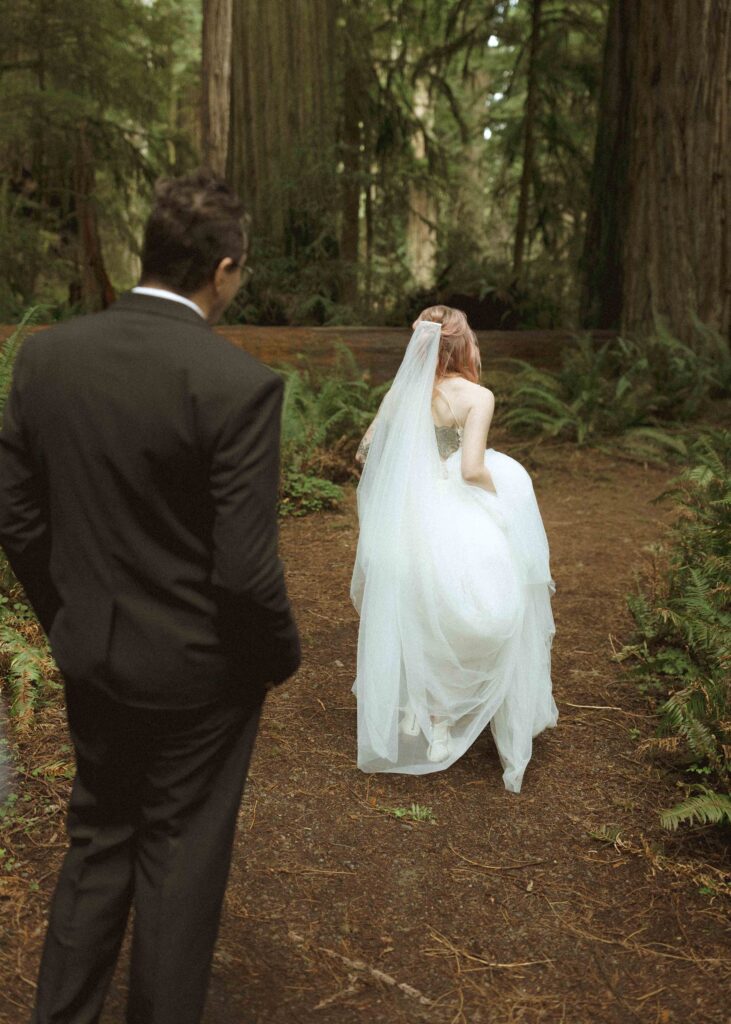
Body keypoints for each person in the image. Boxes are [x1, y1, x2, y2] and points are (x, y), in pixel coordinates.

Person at [0, 173, 300, 1024]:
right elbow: (244, 572)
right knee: (177, 861)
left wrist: (69, 613)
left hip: (91, 650)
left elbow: (17, 517)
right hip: (199, 680)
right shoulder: (236, 385)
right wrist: (277, 655)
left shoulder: (49, 355)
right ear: (224, 268)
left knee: (97, 842)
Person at [351, 305, 556, 792]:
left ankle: (414, 707)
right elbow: (470, 468)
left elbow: (365, 452)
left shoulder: (404, 393)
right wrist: (502, 494)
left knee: (423, 604)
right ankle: (442, 717)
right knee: (478, 609)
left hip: (410, 517)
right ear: (465, 346)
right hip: (455, 512)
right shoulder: (477, 396)